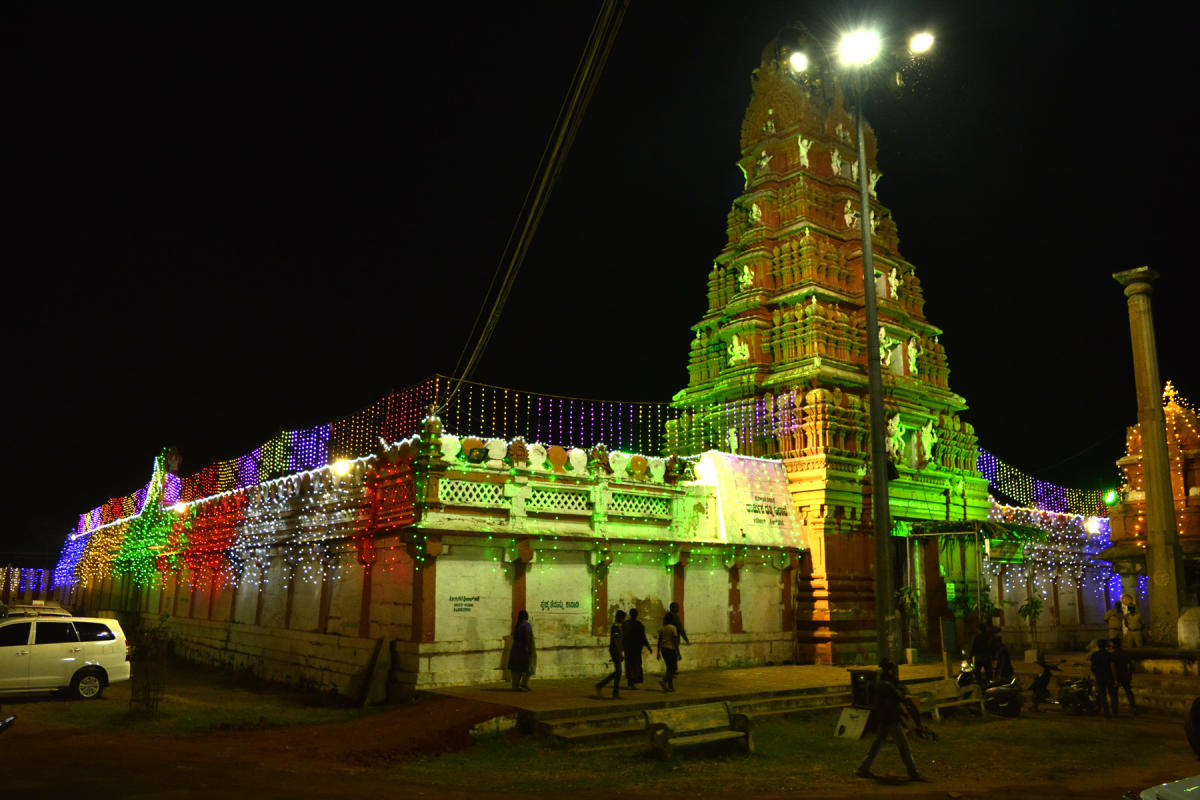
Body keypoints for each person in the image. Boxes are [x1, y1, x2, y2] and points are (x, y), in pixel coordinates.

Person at [856, 659, 926, 782]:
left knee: (877, 744)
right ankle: (913, 773)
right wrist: (900, 689)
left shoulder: (881, 683)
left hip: (884, 718)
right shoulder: (885, 685)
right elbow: (898, 696)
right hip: (890, 719)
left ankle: (863, 768)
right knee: (904, 747)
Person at [595, 609, 625, 699]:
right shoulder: (616, 627)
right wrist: (620, 652)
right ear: (619, 618)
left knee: (618, 672)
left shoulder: (619, 626)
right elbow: (616, 640)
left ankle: (613, 691)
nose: (623, 619)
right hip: (615, 651)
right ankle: (603, 686)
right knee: (618, 672)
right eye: (623, 618)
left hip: (617, 651)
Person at [622, 608, 652, 690]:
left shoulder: (626, 624)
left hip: (629, 648)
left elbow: (623, 636)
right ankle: (632, 682)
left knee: (630, 665)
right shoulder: (639, 625)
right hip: (635, 648)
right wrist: (648, 646)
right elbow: (643, 637)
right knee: (635, 665)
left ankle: (630, 682)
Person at [1090, 638, 1118, 719]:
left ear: (1098, 646)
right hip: (1109, 677)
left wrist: (1096, 674)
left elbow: (1092, 667)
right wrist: (1115, 678)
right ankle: (1114, 711)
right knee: (1112, 695)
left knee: (1103, 696)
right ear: (1106, 646)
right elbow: (1112, 667)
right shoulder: (1109, 655)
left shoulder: (1094, 655)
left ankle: (1106, 712)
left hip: (1099, 677)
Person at [508, 609, 533, 691]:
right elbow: (527, 637)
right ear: (526, 616)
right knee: (528, 666)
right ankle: (525, 683)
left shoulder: (517, 626)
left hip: (515, 648)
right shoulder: (526, 625)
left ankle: (515, 686)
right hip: (522, 649)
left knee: (516, 669)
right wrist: (529, 648)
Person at [1111, 639, 1138, 716]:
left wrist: (1115, 679)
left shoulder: (1113, 654)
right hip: (1125, 675)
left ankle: (1115, 710)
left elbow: (1113, 667)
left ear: (1115, 645)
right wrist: (1130, 675)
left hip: (1117, 676)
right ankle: (1133, 708)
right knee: (1129, 692)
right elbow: (1131, 665)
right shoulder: (1125, 653)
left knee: (1114, 694)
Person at [657, 615, 680, 692]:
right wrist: (678, 651)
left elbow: (659, 641)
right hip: (671, 649)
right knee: (673, 668)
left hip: (663, 649)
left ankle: (670, 686)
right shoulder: (673, 628)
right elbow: (675, 641)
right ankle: (664, 681)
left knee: (669, 668)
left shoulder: (662, 628)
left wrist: (658, 652)